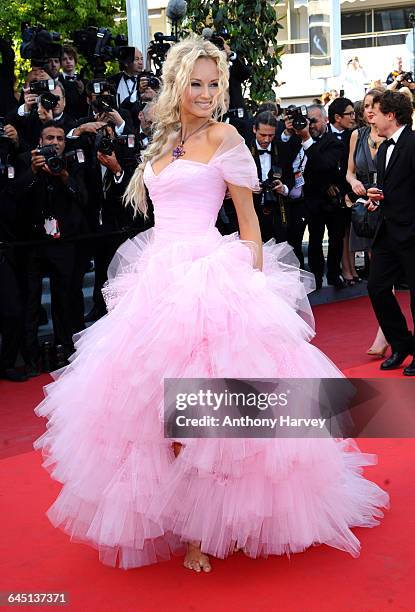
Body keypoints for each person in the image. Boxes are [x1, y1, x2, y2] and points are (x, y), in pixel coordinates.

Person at [33, 37, 388, 574]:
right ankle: (186, 516)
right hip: (156, 278)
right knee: (154, 412)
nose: (205, 92)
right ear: (177, 83)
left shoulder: (226, 137)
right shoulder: (163, 141)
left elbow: (249, 221)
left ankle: (210, 527)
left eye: (213, 83)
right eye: (195, 82)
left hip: (208, 277)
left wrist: (253, 288)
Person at [365, 90, 415, 375]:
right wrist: (376, 197)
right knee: (377, 288)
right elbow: (393, 188)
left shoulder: (413, 143)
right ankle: (401, 344)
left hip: (411, 233)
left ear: (391, 115)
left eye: (378, 112)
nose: (372, 116)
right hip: (387, 232)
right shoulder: (383, 148)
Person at [346, 89, 388, 358]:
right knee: (378, 272)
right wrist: (355, 183)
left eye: (376, 105)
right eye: (367, 106)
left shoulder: (391, 135)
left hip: (389, 206)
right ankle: (387, 331)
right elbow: (349, 172)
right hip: (365, 209)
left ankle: (384, 334)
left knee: (384, 273)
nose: (370, 110)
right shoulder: (356, 136)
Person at [298, 105, 345, 289]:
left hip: (332, 202)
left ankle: (334, 274)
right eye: (308, 121)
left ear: (326, 120)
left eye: (315, 121)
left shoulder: (334, 142)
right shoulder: (299, 138)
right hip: (310, 200)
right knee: (314, 242)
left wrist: (307, 140)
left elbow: (323, 165)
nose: (311, 126)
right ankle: (316, 278)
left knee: (335, 240)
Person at [327, 97, 357, 287]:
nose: (353, 117)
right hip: (329, 195)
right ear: (338, 117)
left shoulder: (352, 135)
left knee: (348, 230)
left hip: (349, 191)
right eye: (350, 114)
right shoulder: (323, 135)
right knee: (337, 234)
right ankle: (341, 270)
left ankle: (350, 268)